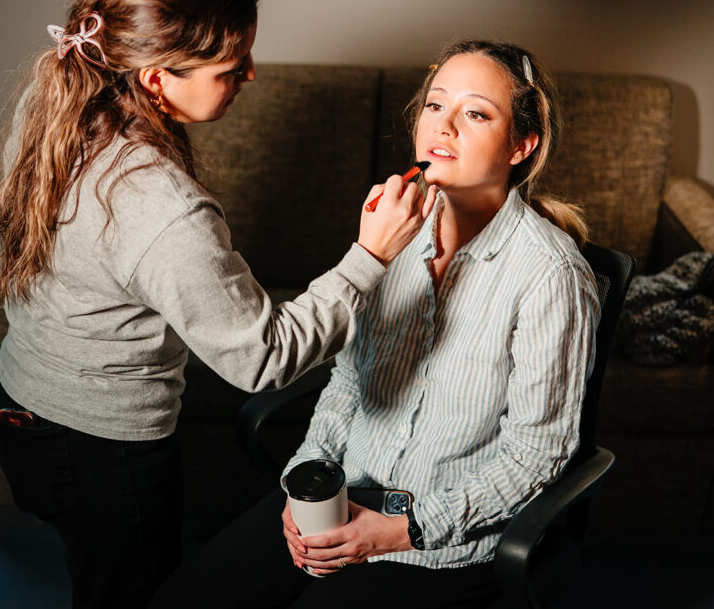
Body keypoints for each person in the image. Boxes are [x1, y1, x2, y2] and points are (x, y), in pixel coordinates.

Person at [0, 0, 435, 609]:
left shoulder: (59, 103)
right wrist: (369, 257)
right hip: (96, 449)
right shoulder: (160, 207)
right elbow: (263, 358)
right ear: (158, 77)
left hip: (20, 403)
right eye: (232, 64)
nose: (250, 72)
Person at [153, 40, 601, 608]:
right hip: (346, 498)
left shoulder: (551, 274)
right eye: (436, 106)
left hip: (440, 542)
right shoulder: (393, 234)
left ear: (521, 145)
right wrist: (302, 482)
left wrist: (401, 528)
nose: (446, 126)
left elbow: (535, 455)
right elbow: (346, 385)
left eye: (477, 113)